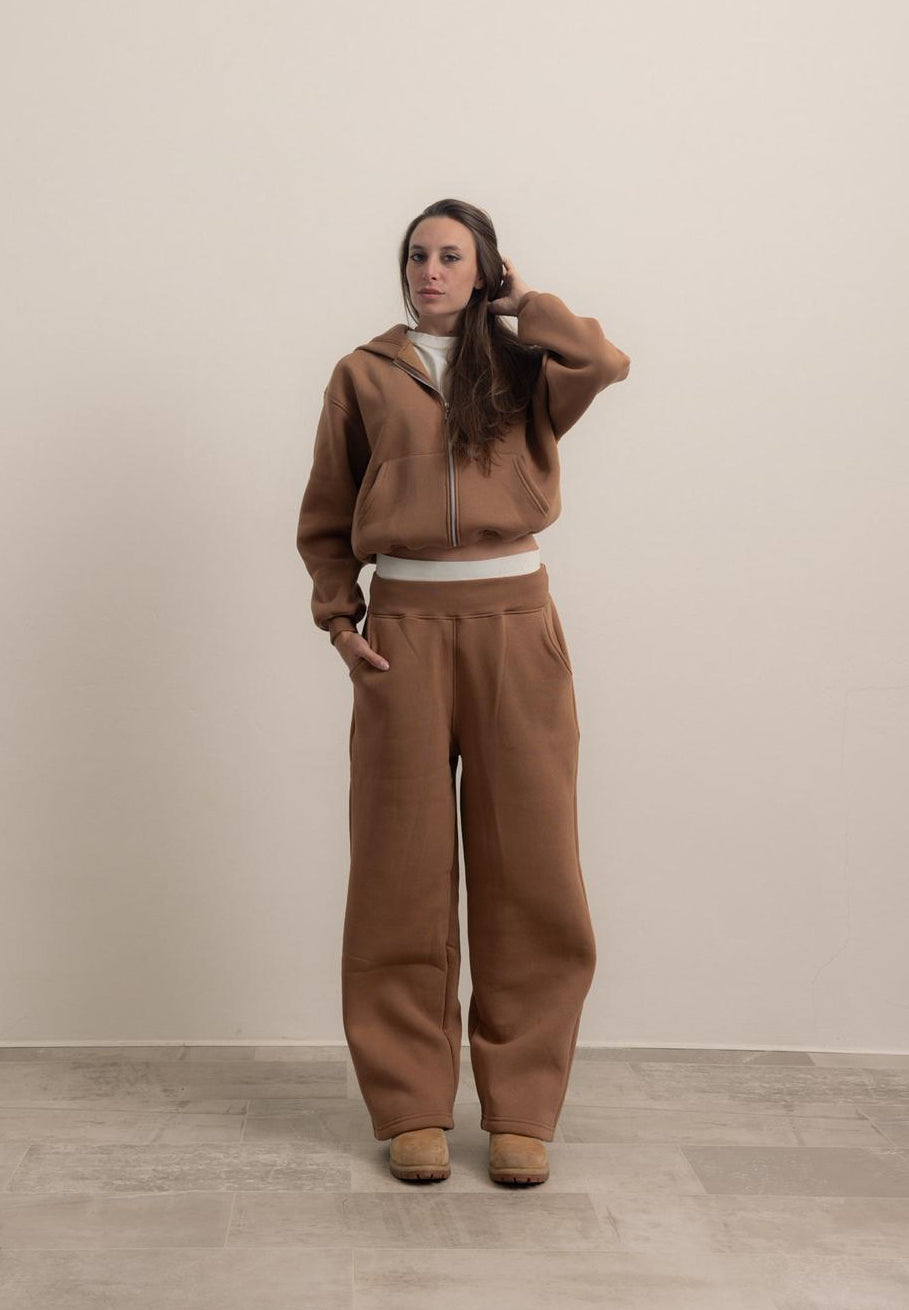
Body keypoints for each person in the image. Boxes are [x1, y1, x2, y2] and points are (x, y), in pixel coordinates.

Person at [296, 198, 630, 1186]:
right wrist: (341, 622)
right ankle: (412, 1103)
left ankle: (521, 1106)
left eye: (450, 255)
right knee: (398, 870)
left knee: (533, 864)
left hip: (515, 625)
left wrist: (525, 305)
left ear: (484, 269)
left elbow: (605, 361)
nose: (429, 270)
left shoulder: (525, 367)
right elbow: (325, 512)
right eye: (416, 255)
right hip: (402, 632)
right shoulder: (362, 373)